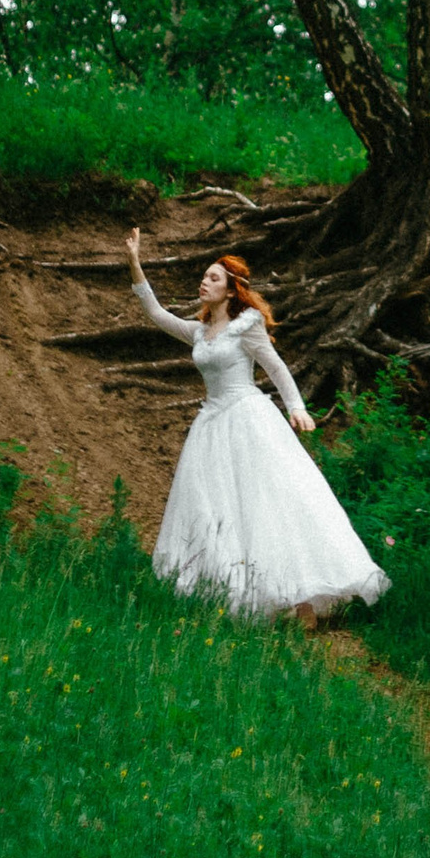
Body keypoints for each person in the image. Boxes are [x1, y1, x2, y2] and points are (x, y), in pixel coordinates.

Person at [124, 227, 389, 623]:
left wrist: (296, 406)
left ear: (231, 290)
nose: (204, 281)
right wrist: (134, 262)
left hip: (247, 418)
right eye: (204, 276)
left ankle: (303, 599)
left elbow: (275, 367)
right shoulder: (198, 331)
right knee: (220, 509)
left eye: (213, 277)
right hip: (212, 426)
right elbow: (156, 314)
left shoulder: (245, 325)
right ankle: (238, 592)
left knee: (269, 503)